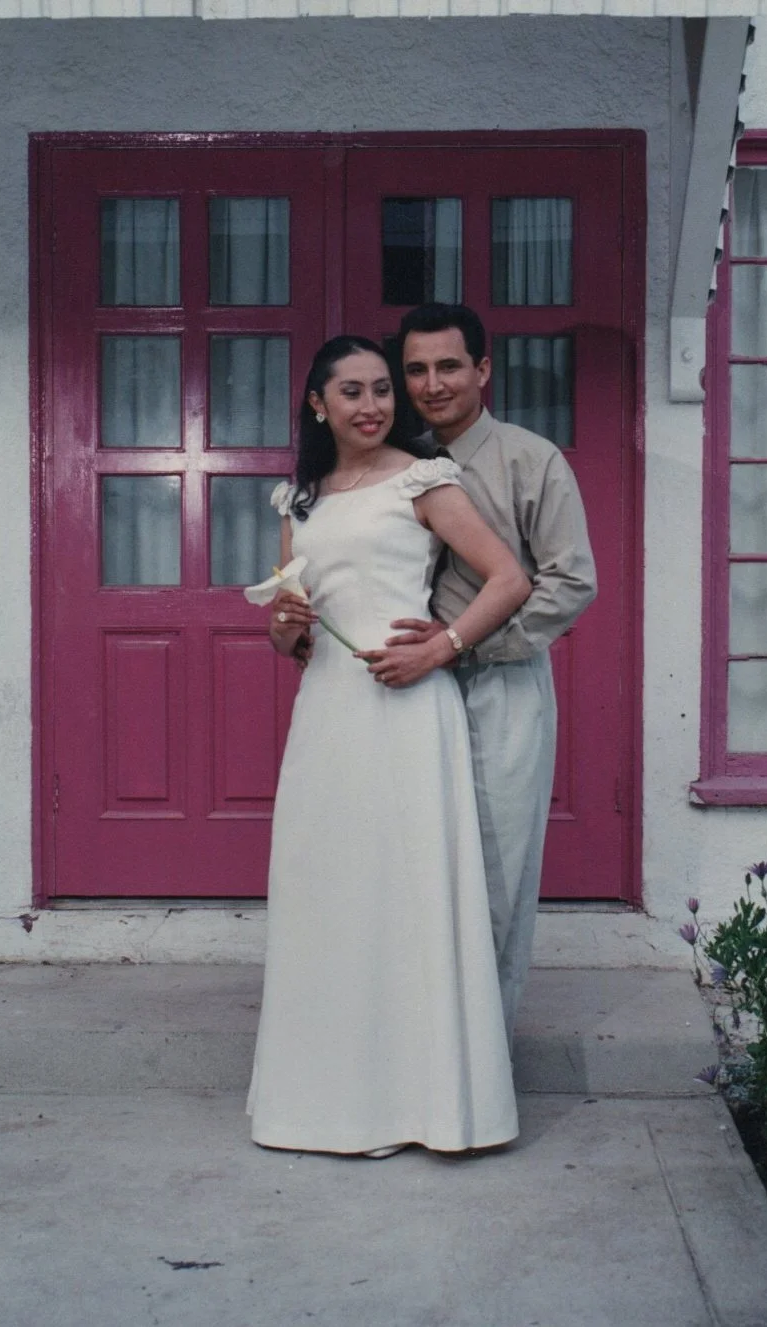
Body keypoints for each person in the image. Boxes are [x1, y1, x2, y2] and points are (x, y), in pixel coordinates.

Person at [245, 335, 531, 1157]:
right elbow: (288, 631)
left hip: (407, 712)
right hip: (329, 712)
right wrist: (285, 626)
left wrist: (441, 647)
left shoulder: (423, 479)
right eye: (352, 391)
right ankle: (325, 1107)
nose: (372, 405)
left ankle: (427, 1107)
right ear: (318, 404)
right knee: (329, 894)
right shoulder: (299, 501)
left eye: (381, 389)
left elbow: (510, 578)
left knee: (408, 894)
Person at [369, 304, 597, 1050]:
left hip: (500, 686)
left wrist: (463, 647)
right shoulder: (393, 464)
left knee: (496, 875)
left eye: (449, 366)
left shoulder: (530, 461)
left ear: (482, 370)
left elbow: (571, 581)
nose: (432, 384)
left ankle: (485, 1060)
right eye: (416, 370)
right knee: (414, 871)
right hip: (405, 693)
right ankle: (419, 1055)